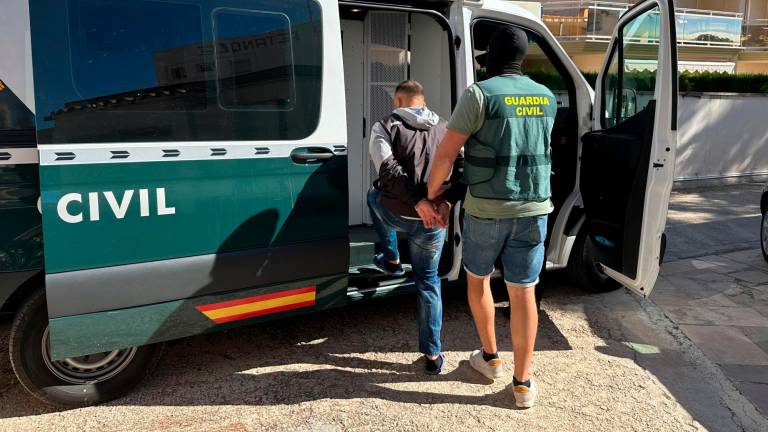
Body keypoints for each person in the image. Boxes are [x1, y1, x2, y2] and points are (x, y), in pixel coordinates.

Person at [427, 26, 556, 408]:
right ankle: (522, 384)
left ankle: (489, 358)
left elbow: (447, 155)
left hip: (486, 209)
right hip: (535, 210)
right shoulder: (546, 96)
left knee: (478, 279)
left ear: (491, 56)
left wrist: (433, 196)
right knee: (523, 291)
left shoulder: (479, 94)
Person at [367, 80, 453, 374]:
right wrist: (444, 204)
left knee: (372, 195)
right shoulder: (444, 126)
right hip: (432, 223)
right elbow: (461, 164)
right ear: (422, 100)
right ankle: (433, 356)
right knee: (428, 283)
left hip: (398, 214)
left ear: (399, 101)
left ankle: (391, 259)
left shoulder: (385, 125)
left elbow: (387, 170)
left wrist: (417, 202)